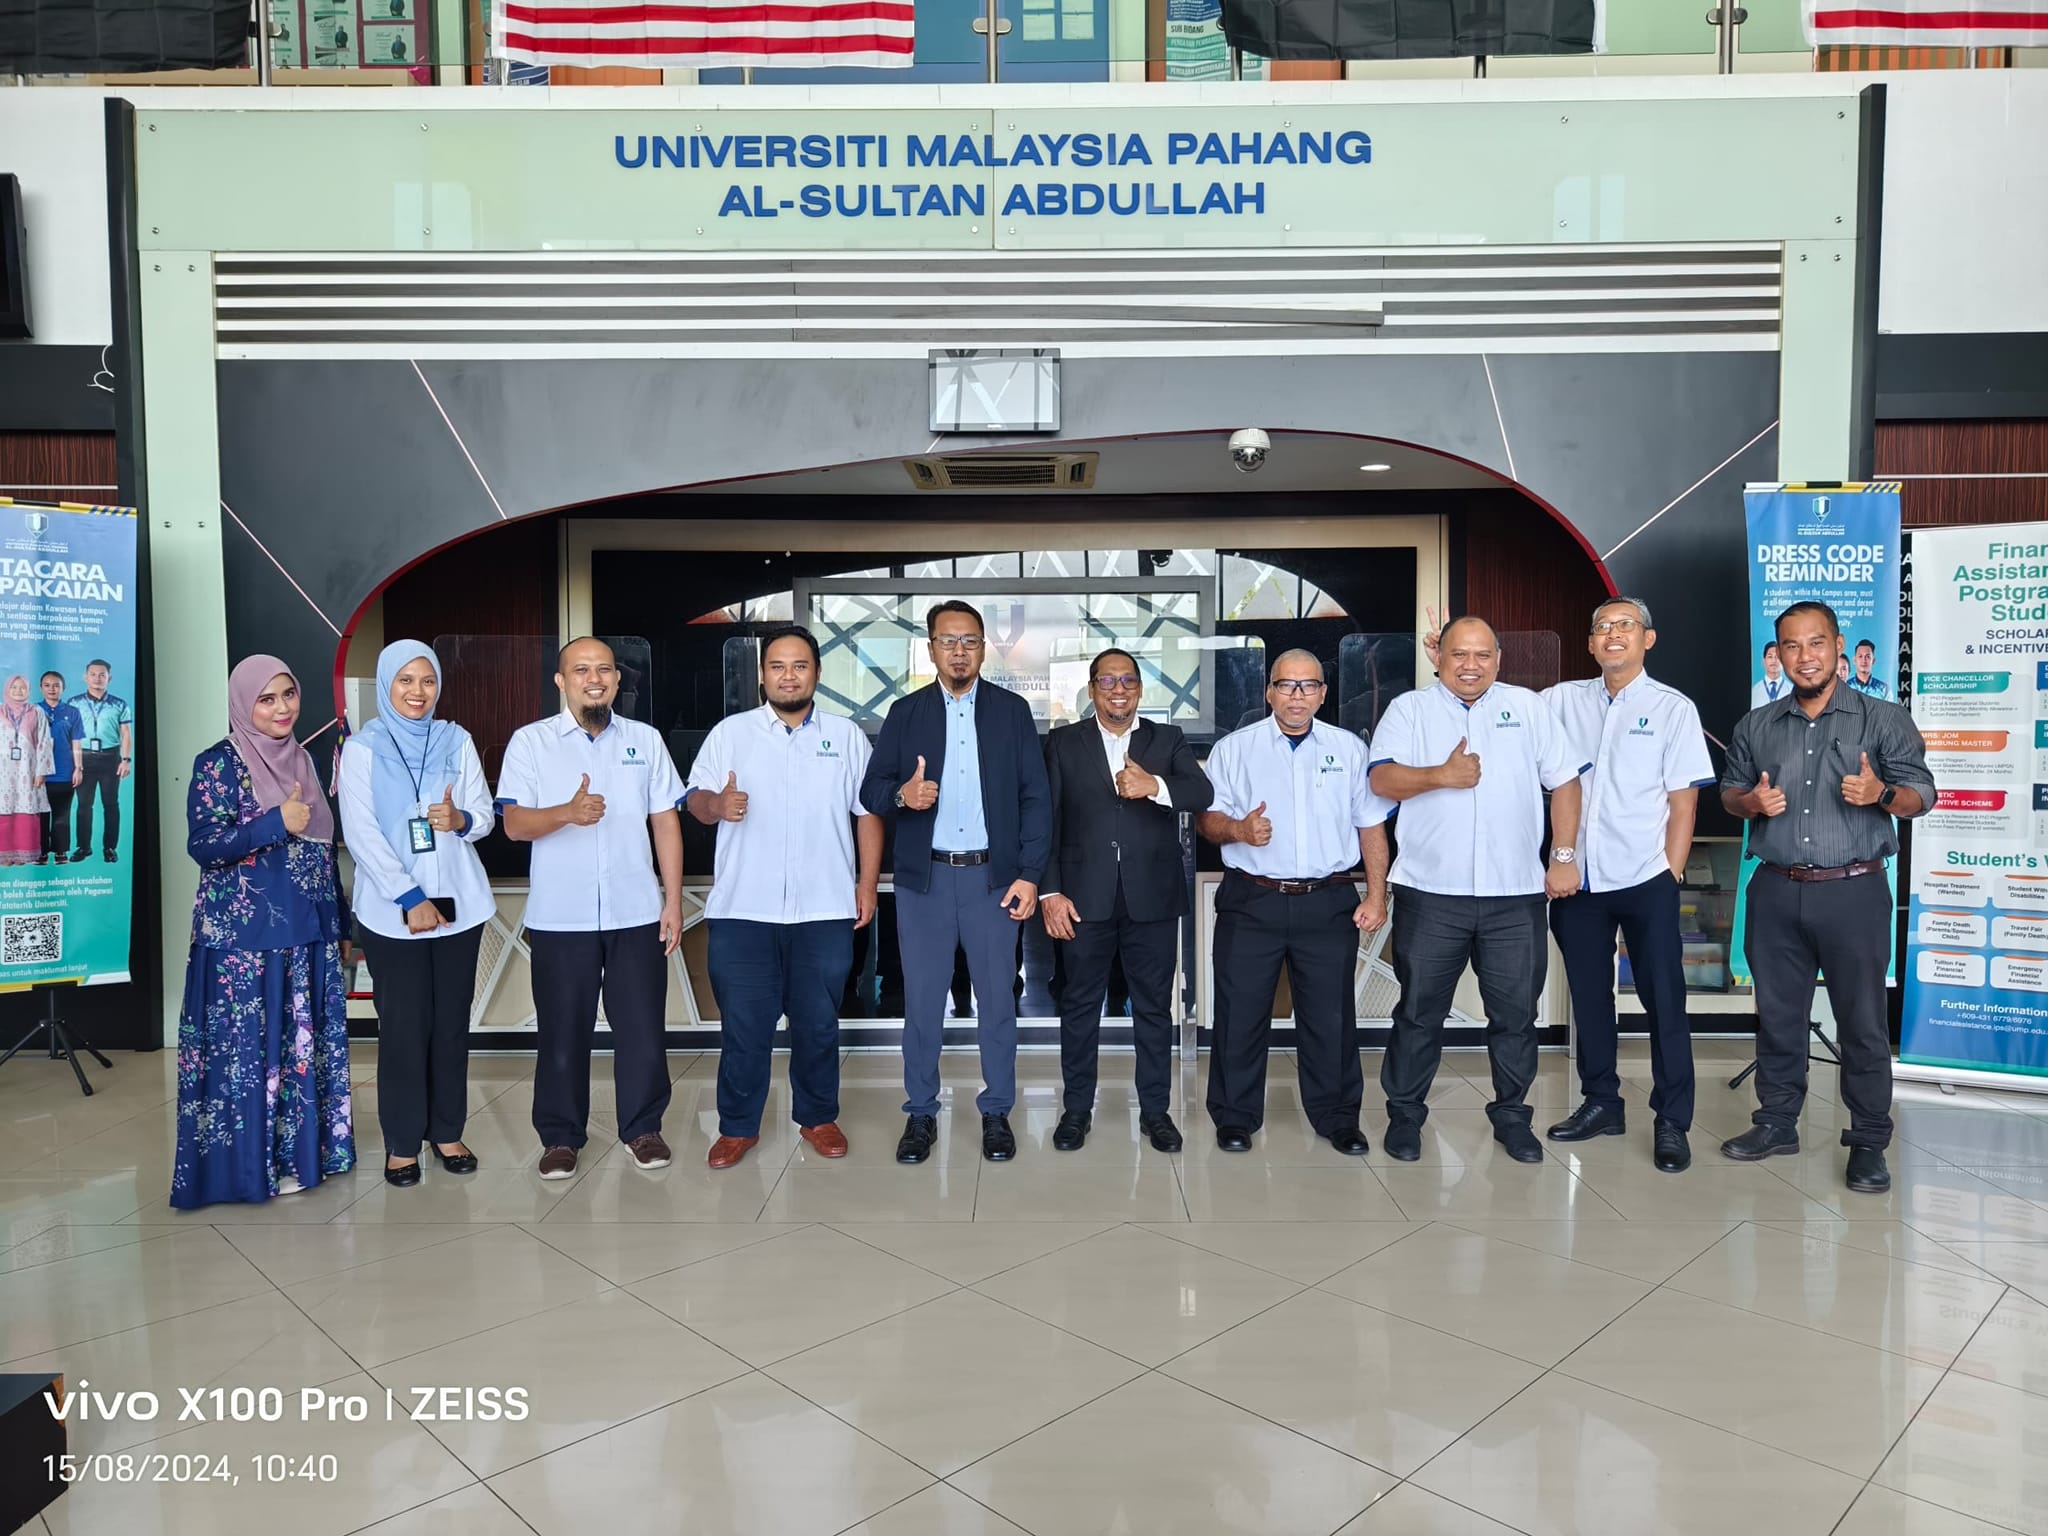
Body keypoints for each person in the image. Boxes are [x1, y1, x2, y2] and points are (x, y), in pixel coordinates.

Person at [1720, 600, 1935, 1194]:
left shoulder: (1884, 719)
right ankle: (1777, 1123)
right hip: (1775, 890)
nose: (1805, 656)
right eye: (1792, 645)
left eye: (1816, 643)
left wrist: (1881, 793)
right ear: (1779, 653)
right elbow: (1731, 792)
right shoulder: (1756, 725)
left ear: (1840, 648)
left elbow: (1924, 792)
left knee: (1862, 1023)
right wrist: (1750, 805)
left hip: (1854, 890)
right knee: (1779, 1019)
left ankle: (1868, 1141)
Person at [1370, 616, 1586, 1165]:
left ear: (1498, 659)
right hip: (1430, 892)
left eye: (1482, 655)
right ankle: (1405, 1115)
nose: (1471, 665)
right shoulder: (1410, 710)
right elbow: (1380, 780)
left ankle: (1513, 1117)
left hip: (1514, 896)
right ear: (1438, 657)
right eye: (1459, 654)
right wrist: (1440, 775)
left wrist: (1563, 856)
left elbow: (1564, 780)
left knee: (1515, 1014)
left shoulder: (1529, 707)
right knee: (1419, 1011)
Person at [859, 600, 1052, 1165]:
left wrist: (1030, 876)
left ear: (983, 647)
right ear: (931, 649)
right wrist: (903, 797)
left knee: (997, 1002)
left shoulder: (1012, 712)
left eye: (969, 640)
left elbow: (1036, 799)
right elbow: (871, 792)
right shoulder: (906, 712)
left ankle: (996, 1112)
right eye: (948, 640)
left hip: (993, 879)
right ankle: (920, 1113)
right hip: (926, 882)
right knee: (922, 1003)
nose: (960, 650)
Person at [684, 626, 880, 1170]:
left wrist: (865, 885)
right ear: (762, 674)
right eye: (777, 666)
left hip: (823, 909)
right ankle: (737, 1127)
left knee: (818, 1022)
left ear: (817, 673)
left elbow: (867, 814)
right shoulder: (732, 733)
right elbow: (694, 800)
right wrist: (717, 805)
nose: (788, 675)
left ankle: (817, 1117)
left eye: (799, 665)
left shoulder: (844, 736)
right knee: (744, 1025)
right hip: (745, 910)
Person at [496, 638, 686, 1179]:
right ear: (561, 681)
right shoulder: (531, 744)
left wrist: (671, 901)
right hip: (562, 917)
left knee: (643, 1028)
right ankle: (560, 1138)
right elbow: (513, 824)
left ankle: (643, 1130)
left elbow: (665, 822)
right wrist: (567, 812)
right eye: (581, 670)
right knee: (562, 1031)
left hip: (635, 912)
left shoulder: (645, 741)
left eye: (604, 669)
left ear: (618, 681)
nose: (594, 678)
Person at [170, 656, 354, 1208]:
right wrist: (276, 823)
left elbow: (323, 851)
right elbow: (203, 843)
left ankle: (300, 1158)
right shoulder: (218, 763)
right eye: (267, 699)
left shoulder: (302, 761)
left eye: (288, 696)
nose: (281, 709)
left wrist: (339, 921)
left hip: (305, 936)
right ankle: (247, 1170)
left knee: (299, 1051)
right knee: (247, 1057)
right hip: (241, 945)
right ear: (243, 704)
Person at [1542, 599, 1715, 1173]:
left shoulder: (1672, 709)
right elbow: (1500, 710)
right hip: (1580, 881)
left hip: (1646, 878)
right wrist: (1446, 663)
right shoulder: (1562, 700)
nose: (1613, 635)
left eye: (1625, 626)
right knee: (1590, 998)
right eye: (1602, 628)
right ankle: (1601, 1103)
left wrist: (1670, 869)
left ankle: (1672, 1120)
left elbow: (1683, 801)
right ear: (1590, 645)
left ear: (1648, 638)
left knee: (1664, 999)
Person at [1197, 649, 1389, 1156]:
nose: (1297, 696)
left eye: (1308, 686)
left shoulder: (1349, 750)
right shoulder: (1235, 749)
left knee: (1329, 1017)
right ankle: (1235, 1117)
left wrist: (1375, 893)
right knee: (1239, 1014)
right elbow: (1207, 819)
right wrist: (1238, 829)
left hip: (1326, 900)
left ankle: (1337, 1117)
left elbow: (1370, 826)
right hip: (1251, 900)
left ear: (1324, 693)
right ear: (1269, 692)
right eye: (1287, 685)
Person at [1040, 648, 1214, 1153]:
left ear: (1141, 688)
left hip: (1152, 899)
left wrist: (1153, 785)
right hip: (1081, 897)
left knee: (1153, 1008)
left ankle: (1156, 1112)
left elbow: (1199, 793)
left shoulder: (1167, 739)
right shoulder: (1062, 743)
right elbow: (1045, 821)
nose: (1119, 689)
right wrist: (1050, 891)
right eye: (1108, 680)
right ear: (1092, 688)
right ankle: (1076, 1111)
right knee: (1079, 1007)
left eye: (1129, 681)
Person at [337, 641, 496, 1188]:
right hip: (390, 912)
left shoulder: (458, 739)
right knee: (404, 1027)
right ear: (386, 684)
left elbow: (484, 819)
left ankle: (446, 1131)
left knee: (451, 1025)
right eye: (404, 680)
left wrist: (461, 818)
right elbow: (360, 833)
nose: (417, 692)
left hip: (459, 903)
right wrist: (409, 898)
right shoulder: (361, 748)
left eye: (427, 681)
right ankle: (404, 1142)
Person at [67, 659, 132, 864]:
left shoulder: (119, 704)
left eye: (102, 675)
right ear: (85, 677)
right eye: (93, 674)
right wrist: (73, 764)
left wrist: (126, 759)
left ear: (109, 678)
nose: (97, 679)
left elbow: (125, 733)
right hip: (83, 757)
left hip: (110, 758)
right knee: (84, 805)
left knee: (111, 804)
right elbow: (70, 735)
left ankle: (110, 848)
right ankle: (83, 847)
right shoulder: (73, 703)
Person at [0, 675, 54, 866]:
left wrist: (41, 771)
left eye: (22, 688)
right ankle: (5, 855)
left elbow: (44, 742)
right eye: (14, 687)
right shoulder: (0, 710)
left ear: (29, 690)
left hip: (27, 771)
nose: (18, 691)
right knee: (4, 811)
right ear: (7, 689)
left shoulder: (36, 711)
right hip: (3, 772)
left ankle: (23, 854)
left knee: (25, 808)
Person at [38, 672, 82, 865]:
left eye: (56, 685)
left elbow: (76, 743)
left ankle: (60, 851)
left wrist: (78, 768)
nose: (52, 688)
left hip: (64, 771)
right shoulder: (34, 710)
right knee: (39, 815)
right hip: (39, 774)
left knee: (61, 815)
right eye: (47, 685)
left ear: (63, 688)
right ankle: (40, 851)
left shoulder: (72, 712)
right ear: (41, 688)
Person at [1750, 643, 1786, 709]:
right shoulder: (1754, 691)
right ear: (1764, 661)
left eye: (1777, 657)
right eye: (1770, 656)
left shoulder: (1792, 690)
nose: (1774, 660)